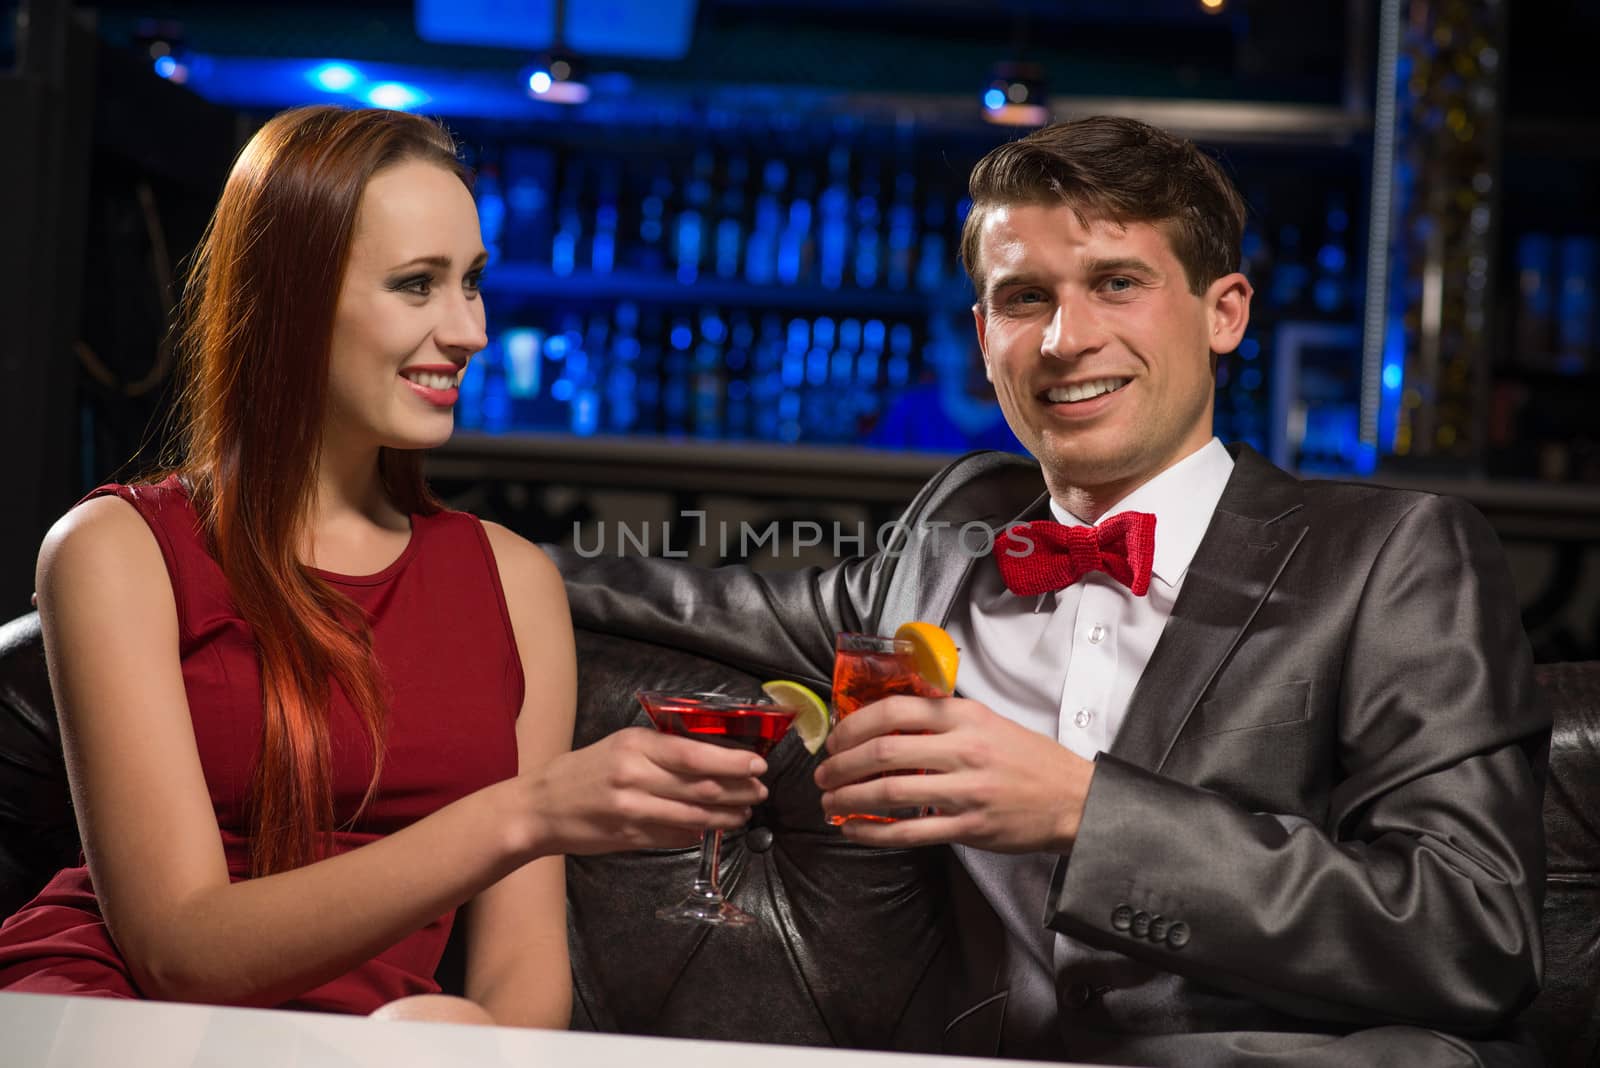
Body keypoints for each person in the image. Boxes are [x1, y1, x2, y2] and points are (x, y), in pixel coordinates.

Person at [551, 116, 1550, 1065]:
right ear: (984, 334)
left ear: (1223, 312)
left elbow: (1472, 936)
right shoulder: (952, 538)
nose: (1065, 339)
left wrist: (1083, 810)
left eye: (1117, 283)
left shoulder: (1391, 554)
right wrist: (441, 550)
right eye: (1024, 299)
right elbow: (691, 602)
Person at [0, 105, 769, 1024]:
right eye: (417, 285)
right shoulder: (116, 550)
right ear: (290, 297)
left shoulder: (511, 581)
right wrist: (525, 812)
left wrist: (467, 1033)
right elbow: (181, 952)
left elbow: (521, 977)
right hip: (109, 1020)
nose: (471, 330)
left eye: (472, 283)